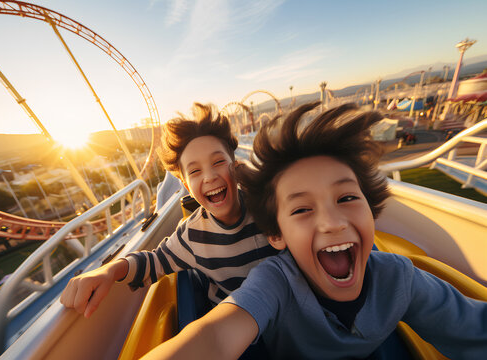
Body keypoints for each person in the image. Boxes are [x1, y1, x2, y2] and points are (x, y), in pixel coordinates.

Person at [141, 102, 487, 359]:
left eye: (347, 197)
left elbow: (474, 328)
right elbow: (214, 337)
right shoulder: (274, 282)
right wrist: (114, 270)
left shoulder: (398, 279)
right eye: (303, 209)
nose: (332, 222)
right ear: (276, 232)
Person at [60, 103, 277, 318]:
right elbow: (154, 262)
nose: (209, 177)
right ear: (185, 184)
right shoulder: (192, 235)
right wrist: (109, 271)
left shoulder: (267, 204)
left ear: (235, 163)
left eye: (219, 161)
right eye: (195, 171)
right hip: (235, 321)